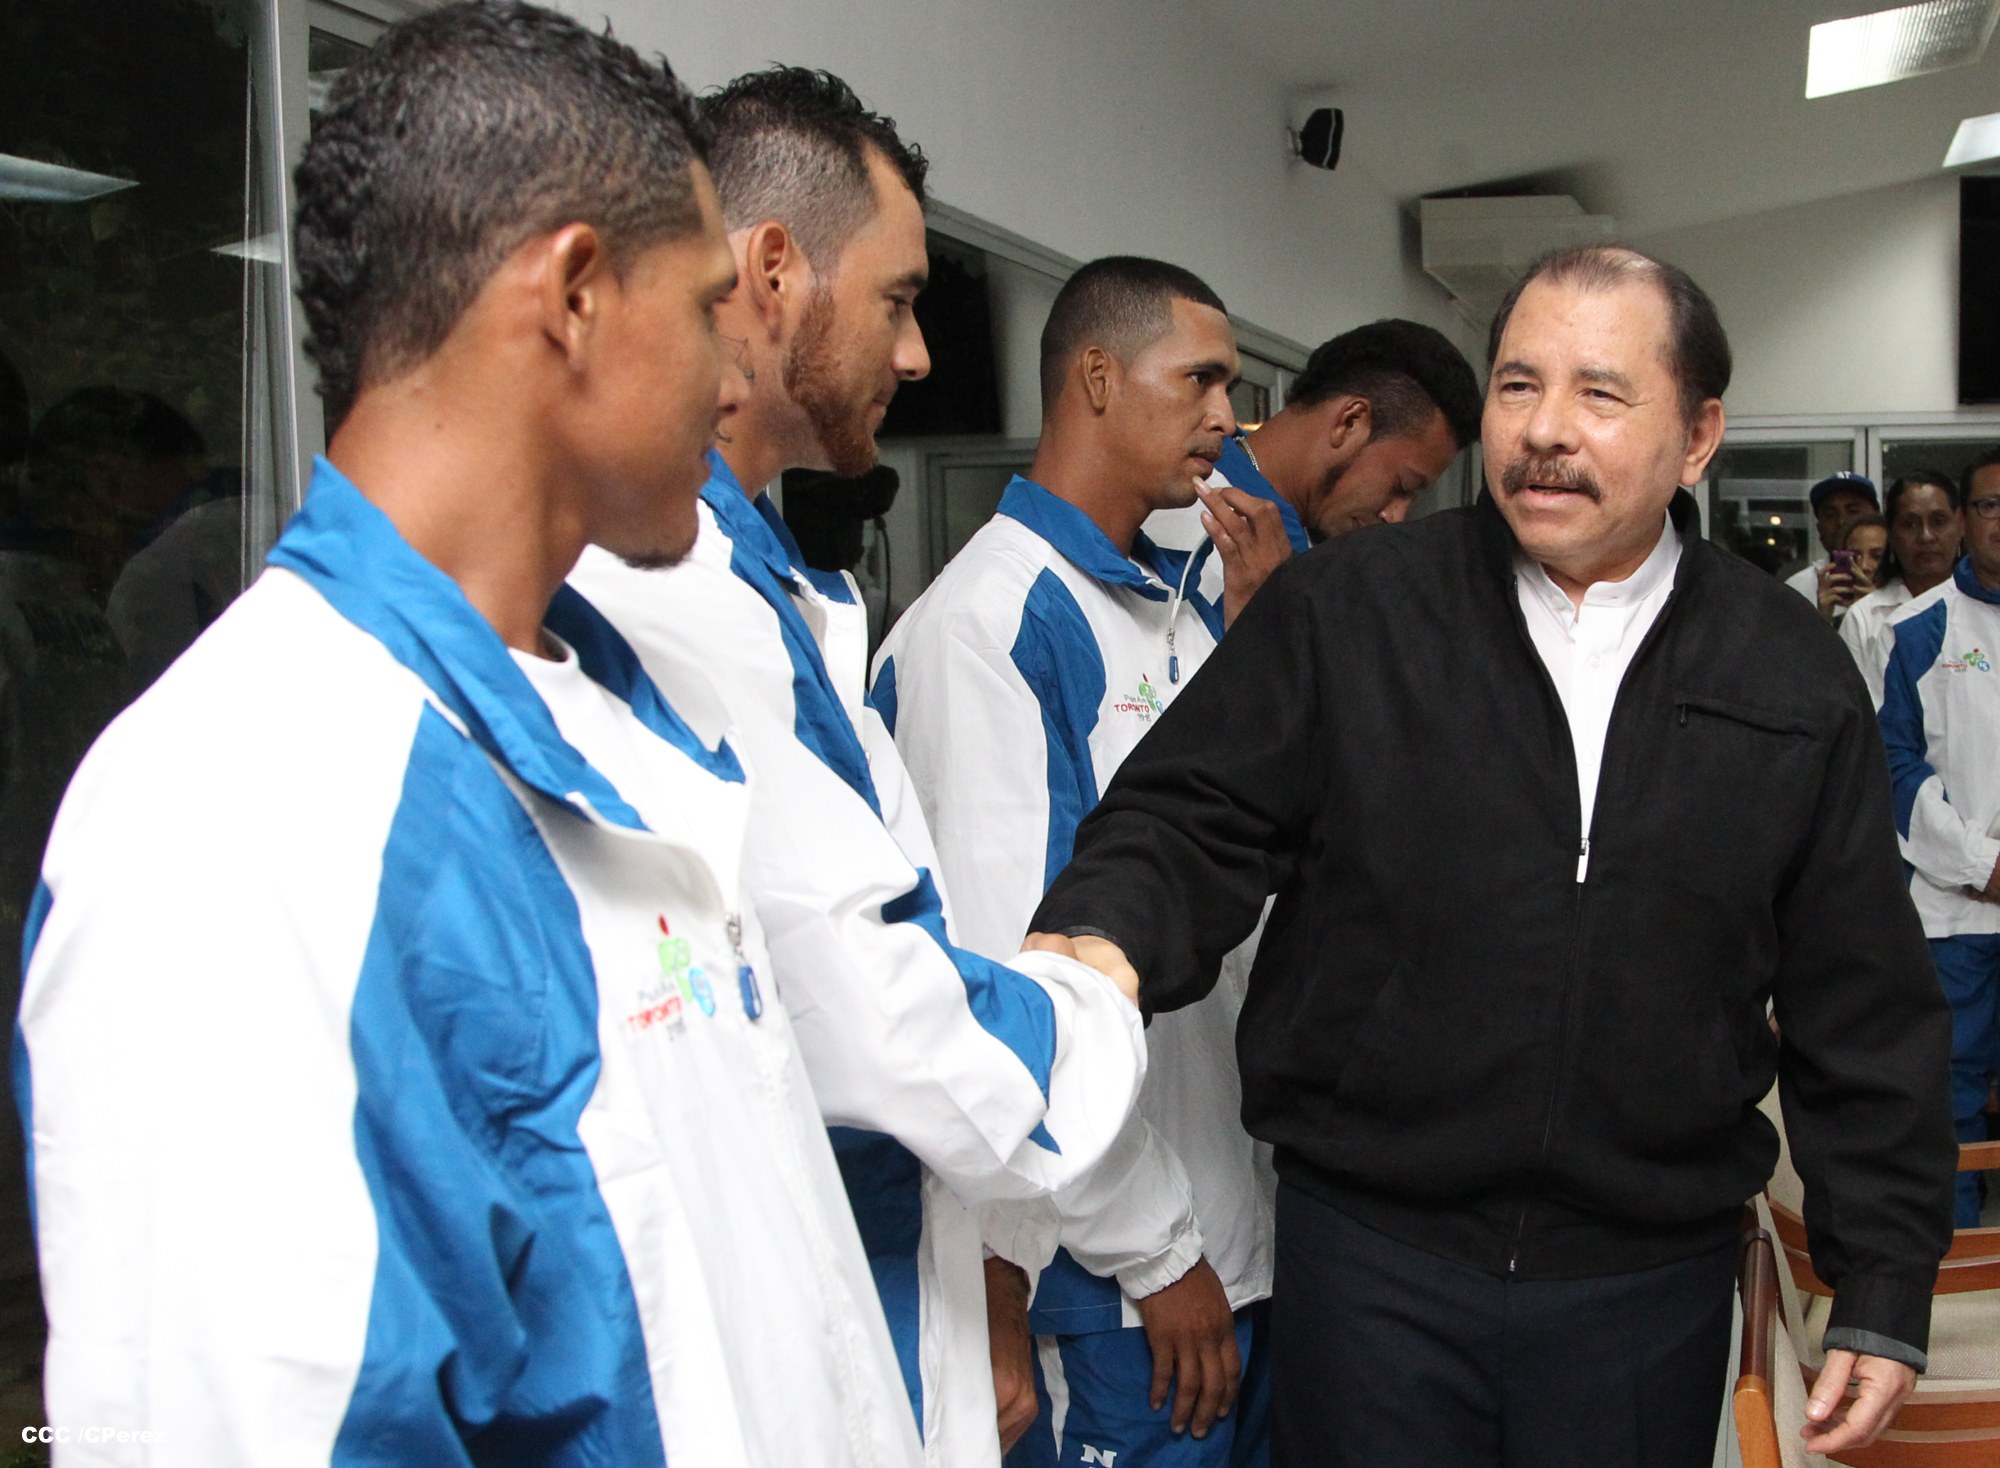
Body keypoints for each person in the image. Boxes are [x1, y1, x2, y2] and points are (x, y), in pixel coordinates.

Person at [14, 6, 928, 1461]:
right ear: (574, 296)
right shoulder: (241, 820)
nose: (731, 380)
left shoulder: (618, 718)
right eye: (706, 308)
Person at [1027, 244, 1957, 1466]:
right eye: (1518, 386)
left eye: (1598, 392)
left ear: (1695, 435)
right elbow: (1184, 815)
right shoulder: (1350, 609)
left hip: (1643, 1284)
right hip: (1373, 1266)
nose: (1544, 430)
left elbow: (1860, 990)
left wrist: (1881, 1276)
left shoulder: (1781, 667)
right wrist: (1102, 938)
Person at [564, 68, 1146, 1468]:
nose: (919, 354)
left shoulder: (767, 584)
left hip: (888, 1259)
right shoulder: (670, 594)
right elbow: (877, 1011)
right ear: (773, 273)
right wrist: (1094, 999)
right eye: (897, 301)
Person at [874, 256, 1272, 1468]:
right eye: (1199, 380)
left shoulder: (1171, 608)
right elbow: (1009, 993)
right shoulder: (990, 627)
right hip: (1108, 1281)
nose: (1225, 417)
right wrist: (1154, 1248)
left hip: (1225, 1236)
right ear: (1096, 377)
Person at [1148, 318, 1481, 626]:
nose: (1395, 516)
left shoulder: (1309, 550)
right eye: (1402, 486)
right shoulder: (1186, 507)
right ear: (1349, 423)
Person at [1877, 444, 2000, 1228]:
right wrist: (1984, 866)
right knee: (1950, 1090)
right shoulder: (1919, 630)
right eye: (1990, 506)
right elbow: (1896, 769)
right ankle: (1957, 1258)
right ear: (1963, 521)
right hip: (1958, 916)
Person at [1842, 470, 1964, 705]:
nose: (1926, 536)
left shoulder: (1985, 606)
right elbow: (1853, 710)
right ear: (1891, 533)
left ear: (1960, 524)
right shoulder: (1865, 617)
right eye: (1910, 524)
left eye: (1938, 521)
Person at [1785, 470, 1878, 614]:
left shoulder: (1900, 583)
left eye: (1853, 511)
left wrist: (1878, 609)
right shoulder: (1797, 589)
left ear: (1877, 521)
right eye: (1830, 514)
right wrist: (1821, 620)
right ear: (1819, 529)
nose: (1842, 521)